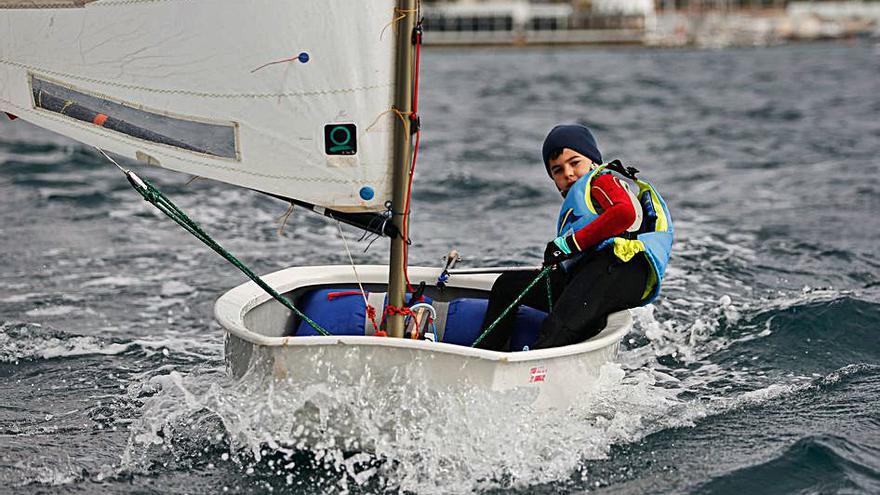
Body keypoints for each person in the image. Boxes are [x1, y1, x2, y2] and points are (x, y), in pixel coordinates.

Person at [475, 124, 673, 351]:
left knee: (557, 330)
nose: (567, 173)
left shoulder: (602, 181)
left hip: (618, 269)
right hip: (592, 272)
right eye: (557, 170)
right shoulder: (584, 195)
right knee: (507, 286)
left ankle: (530, 368)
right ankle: (485, 354)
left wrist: (569, 245)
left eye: (575, 163)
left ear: (593, 162)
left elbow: (625, 213)